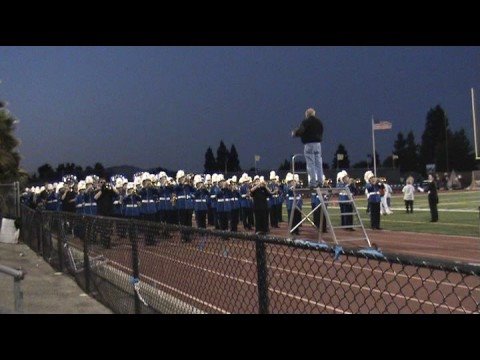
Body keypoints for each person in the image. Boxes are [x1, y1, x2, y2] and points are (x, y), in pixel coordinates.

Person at [291, 107, 324, 188]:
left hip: (309, 144)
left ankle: (313, 183)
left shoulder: (306, 121)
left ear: (306, 114)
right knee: (319, 163)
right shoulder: (319, 122)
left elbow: (301, 130)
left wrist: (294, 133)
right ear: (314, 114)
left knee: (310, 164)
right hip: (318, 144)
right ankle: (320, 182)